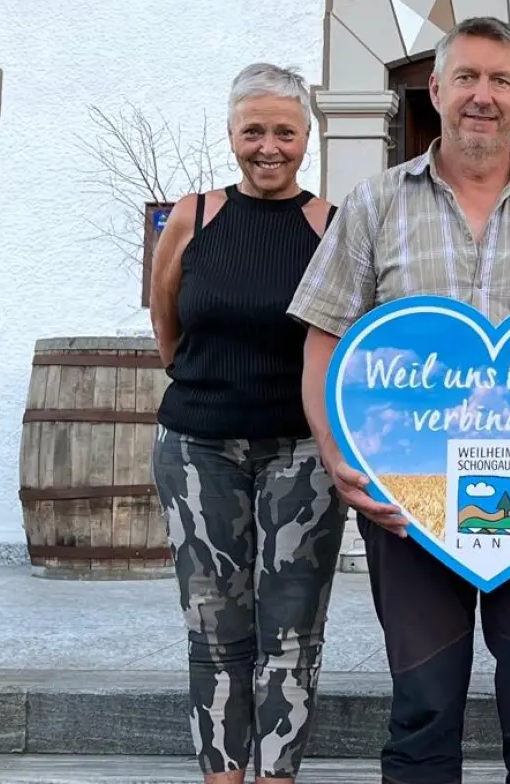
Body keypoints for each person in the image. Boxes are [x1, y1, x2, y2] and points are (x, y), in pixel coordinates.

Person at [287, 15, 510, 784]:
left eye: (499, 80)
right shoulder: (375, 203)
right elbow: (324, 338)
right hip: (409, 499)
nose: (481, 95)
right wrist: (334, 449)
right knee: (422, 710)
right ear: (436, 88)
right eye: (467, 78)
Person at [148, 62, 347, 784]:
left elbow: (343, 339)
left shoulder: (331, 226)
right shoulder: (193, 216)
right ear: (231, 133)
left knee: (292, 632)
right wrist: (207, 386)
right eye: (253, 131)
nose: (269, 147)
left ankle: (275, 777)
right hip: (197, 448)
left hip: (304, 451)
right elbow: (167, 323)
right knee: (213, 626)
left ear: (307, 139)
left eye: (285, 132)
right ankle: (223, 776)